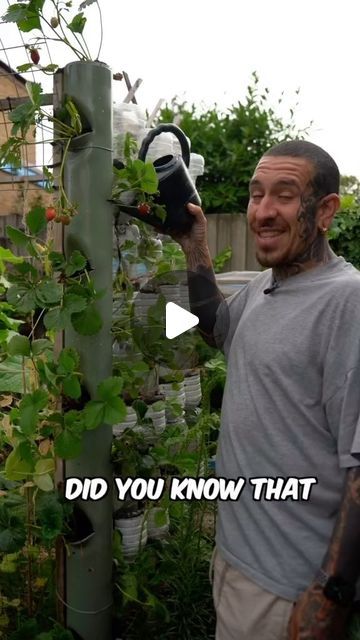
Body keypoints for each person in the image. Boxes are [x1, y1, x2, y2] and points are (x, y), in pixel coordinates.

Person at [174, 140, 360, 640]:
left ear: (324, 211)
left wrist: (333, 594)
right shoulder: (266, 286)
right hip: (237, 560)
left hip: (289, 586)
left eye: (283, 195)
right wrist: (194, 244)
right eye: (257, 195)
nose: (263, 212)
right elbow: (217, 328)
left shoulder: (348, 302)